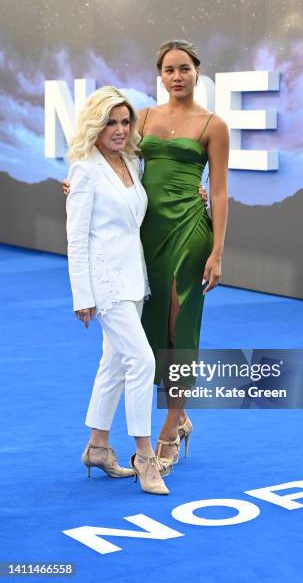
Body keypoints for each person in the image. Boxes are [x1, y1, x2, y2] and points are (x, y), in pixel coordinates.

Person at [66, 86, 169, 495]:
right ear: (95, 124)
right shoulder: (83, 169)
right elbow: (76, 238)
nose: (120, 129)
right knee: (142, 361)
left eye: (125, 121)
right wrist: (82, 295)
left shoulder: (131, 162)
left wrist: (198, 196)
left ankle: (96, 447)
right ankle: (144, 456)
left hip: (133, 278)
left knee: (113, 365)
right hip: (104, 282)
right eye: (111, 121)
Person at [138, 39, 229, 468]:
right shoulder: (143, 117)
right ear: (160, 76)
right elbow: (114, 162)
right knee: (153, 328)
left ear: (198, 73)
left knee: (180, 325)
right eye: (169, 70)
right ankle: (183, 414)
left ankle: (171, 429)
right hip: (146, 233)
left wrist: (218, 251)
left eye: (184, 69)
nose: (177, 77)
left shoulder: (213, 124)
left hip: (190, 231)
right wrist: (76, 182)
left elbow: (221, 191)